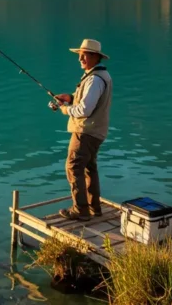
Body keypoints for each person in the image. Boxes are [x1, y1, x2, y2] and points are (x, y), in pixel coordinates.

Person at [47, 39, 113, 221]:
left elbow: (85, 110)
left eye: (84, 55)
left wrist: (65, 109)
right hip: (96, 131)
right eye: (80, 55)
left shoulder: (94, 80)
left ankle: (81, 210)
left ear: (95, 57)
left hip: (86, 132)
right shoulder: (99, 76)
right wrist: (70, 97)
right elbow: (86, 99)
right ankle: (94, 207)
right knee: (89, 168)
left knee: (74, 166)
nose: (80, 59)